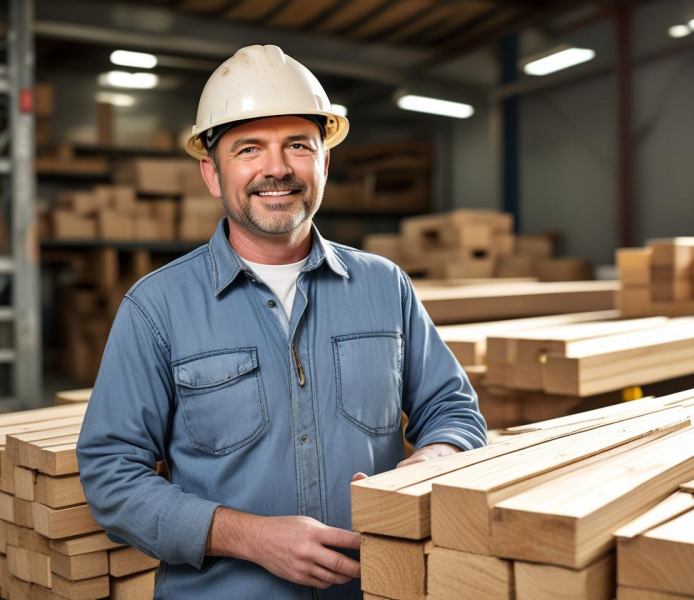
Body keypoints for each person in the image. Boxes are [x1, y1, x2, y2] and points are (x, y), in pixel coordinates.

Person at [76, 44, 487, 599]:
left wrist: (425, 469)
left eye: (298, 145)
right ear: (212, 173)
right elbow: (111, 477)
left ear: (323, 162)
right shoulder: (157, 308)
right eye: (249, 148)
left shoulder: (384, 287)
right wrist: (251, 538)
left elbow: (453, 410)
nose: (277, 168)